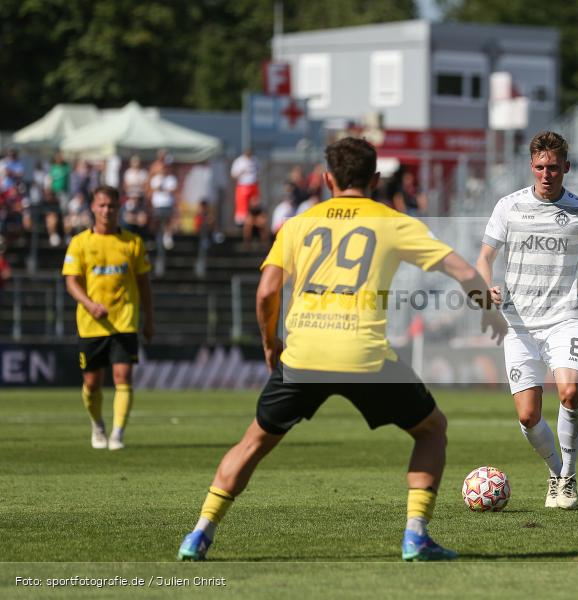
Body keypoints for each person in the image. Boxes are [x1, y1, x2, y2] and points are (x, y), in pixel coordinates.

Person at [177, 137, 507, 562]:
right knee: (431, 430)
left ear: (327, 178)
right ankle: (415, 536)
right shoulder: (393, 221)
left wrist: (270, 342)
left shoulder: (298, 224)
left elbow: (266, 292)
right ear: (374, 179)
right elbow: (462, 269)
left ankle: (199, 533)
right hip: (364, 355)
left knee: (253, 443)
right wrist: (488, 312)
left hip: (303, 353)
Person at [475, 131, 578, 511]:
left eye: (554, 168)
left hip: (565, 318)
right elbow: (484, 259)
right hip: (519, 325)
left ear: (567, 168)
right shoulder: (509, 207)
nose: (547, 174)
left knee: (569, 393)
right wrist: (484, 289)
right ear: (532, 166)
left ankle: (569, 476)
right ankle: (555, 471)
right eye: (541, 167)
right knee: (528, 417)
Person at [61, 185, 154, 451]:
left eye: (111, 206)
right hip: (91, 325)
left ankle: (117, 434)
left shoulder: (133, 243)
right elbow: (71, 282)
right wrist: (90, 305)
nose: (106, 210)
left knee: (123, 377)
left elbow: (145, 285)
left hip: (124, 321)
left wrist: (149, 320)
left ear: (119, 207)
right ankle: (97, 425)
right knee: (91, 383)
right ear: (92, 207)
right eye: (101, 205)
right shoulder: (80, 243)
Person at [231, 148, 259, 228]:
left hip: (253, 185)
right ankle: (241, 223)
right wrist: (242, 171)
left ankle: (254, 221)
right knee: (242, 204)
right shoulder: (239, 161)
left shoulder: (255, 160)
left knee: (254, 204)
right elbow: (233, 175)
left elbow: (259, 171)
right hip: (243, 185)